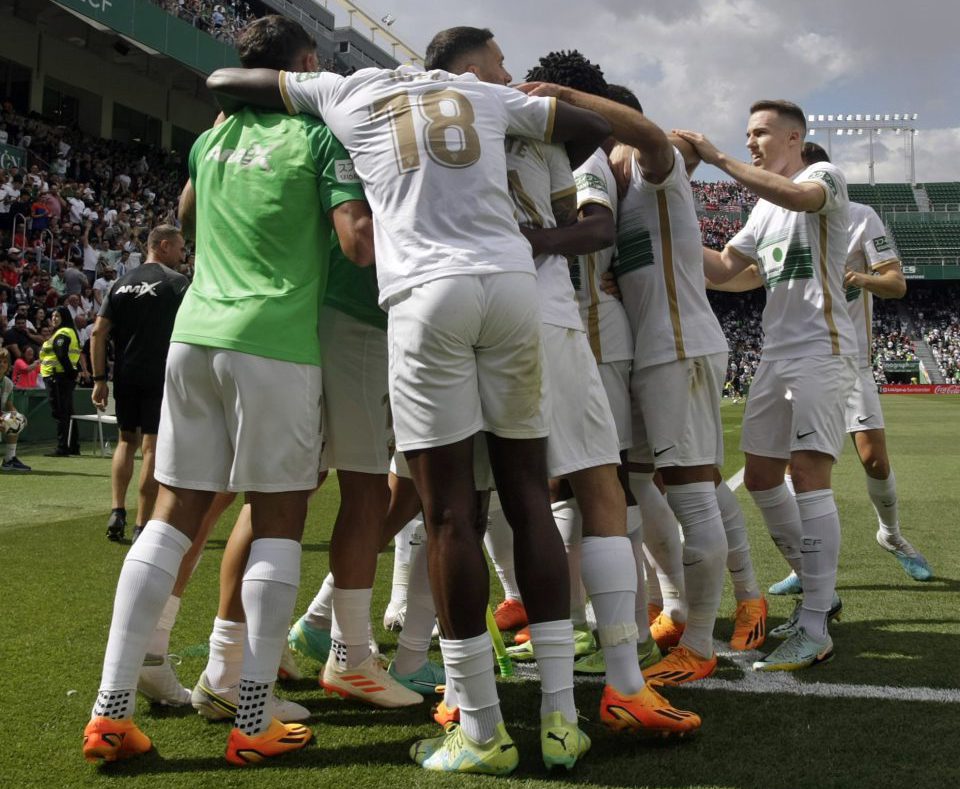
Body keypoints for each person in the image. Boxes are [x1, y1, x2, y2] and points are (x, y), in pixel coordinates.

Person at [207, 30, 610, 775]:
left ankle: (483, 730)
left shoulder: (349, 89)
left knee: (452, 511)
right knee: (529, 494)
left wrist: (311, 89)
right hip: (512, 284)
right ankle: (561, 719)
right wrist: (539, 100)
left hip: (426, 296)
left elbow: (227, 78)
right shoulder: (486, 95)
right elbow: (593, 130)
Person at [81, 15, 374, 767]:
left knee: (172, 514)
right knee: (279, 516)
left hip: (195, 335)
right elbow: (355, 241)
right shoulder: (318, 139)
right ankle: (252, 715)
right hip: (273, 343)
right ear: (305, 66)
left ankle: (110, 709)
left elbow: (184, 215)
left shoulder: (210, 142)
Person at [675, 99, 857, 672]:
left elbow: (800, 199)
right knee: (759, 477)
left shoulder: (820, 176)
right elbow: (728, 271)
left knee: (807, 475)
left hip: (821, 350)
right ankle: (816, 590)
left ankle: (813, 623)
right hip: (778, 355)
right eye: (746, 134)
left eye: (760, 133)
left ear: (794, 137)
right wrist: (671, 237)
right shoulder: (760, 210)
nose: (751, 141)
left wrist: (718, 157)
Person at [767, 142, 932, 590]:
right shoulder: (776, 221)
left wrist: (860, 278)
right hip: (798, 361)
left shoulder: (861, 217)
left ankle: (892, 536)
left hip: (847, 358)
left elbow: (896, 284)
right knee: (794, 469)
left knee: (873, 460)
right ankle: (805, 564)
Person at [89, 224, 190, 543]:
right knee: (151, 448)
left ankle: (117, 510)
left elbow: (97, 333)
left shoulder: (119, 283)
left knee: (125, 442)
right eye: (179, 248)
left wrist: (98, 379)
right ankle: (142, 523)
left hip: (126, 374)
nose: (182, 254)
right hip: (160, 373)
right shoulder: (176, 283)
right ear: (162, 246)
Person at [40, 305, 86, 457]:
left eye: (57, 316)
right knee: (68, 413)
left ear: (64, 317)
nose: (54, 319)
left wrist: (71, 372)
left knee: (61, 413)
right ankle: (73, 446)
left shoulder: (62, 333)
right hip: (61, 377)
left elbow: (61, 355)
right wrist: (74, 372)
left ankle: (63, 447)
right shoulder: (68, 332)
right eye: (53, 316)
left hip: (57, 377)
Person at [1, 347, 30, 471]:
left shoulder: (7, 383)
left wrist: (18, 417)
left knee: (15, 421)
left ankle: (9, 459)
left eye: (5, 361)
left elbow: (9, 405)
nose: (2, 364)